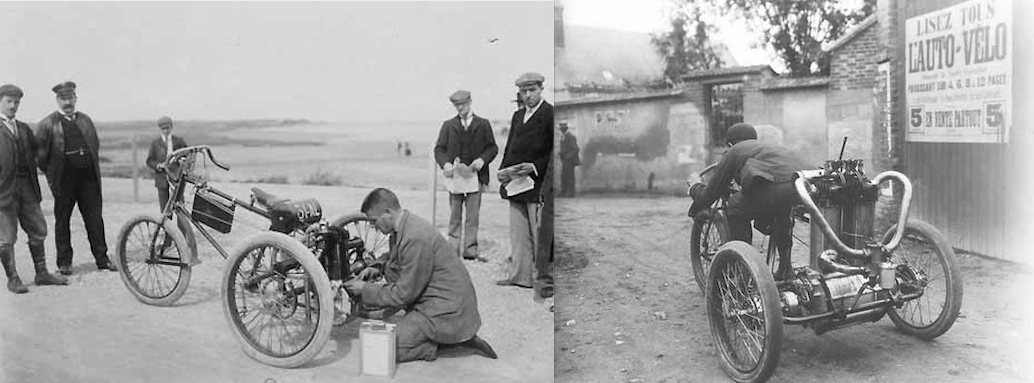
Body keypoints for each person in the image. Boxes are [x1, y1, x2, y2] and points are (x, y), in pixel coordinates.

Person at [343, 188, 497, 363]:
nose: (373, 227)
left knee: (384, 349)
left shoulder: (414, 237)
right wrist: (377, 267)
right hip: (439, 303)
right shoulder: (405, 226)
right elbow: (396, 257)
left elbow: (403, 294)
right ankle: (443, 336)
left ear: (388, 213)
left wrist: (365, 289)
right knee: (384, 338)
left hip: (446, 311)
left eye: (374, 221)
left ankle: (438, 344)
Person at [688, 122, 807, 279]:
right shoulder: (765, 148)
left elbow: (707, 197)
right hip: (802, 182)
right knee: (780, 211)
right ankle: (785, 268)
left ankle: (742, 271)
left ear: (730, 144)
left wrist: (694, 185)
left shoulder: (734, 151)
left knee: (735, 207)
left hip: (777, 185)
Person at [35, 81, 116, 275]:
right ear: (57, 100)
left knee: (95, 220)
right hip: (64, 181)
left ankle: (102, 259)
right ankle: (64, 263)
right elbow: (39, 157)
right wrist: (54, 175)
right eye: (63, 99)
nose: (67, 103)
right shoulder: (48, 124)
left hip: (88, 180)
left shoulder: (86, 120)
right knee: (62, 221)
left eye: (70, 98)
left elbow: (94, 146)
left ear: (75, 99)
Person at [0, 84, 68, 293]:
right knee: (6, 237)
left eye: (16, 102)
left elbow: (39, 153)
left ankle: (42, 273)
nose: (13, 106)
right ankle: (13, 278)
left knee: (38, 230)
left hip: (27, 186)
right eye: (9, 101)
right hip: (3, 191)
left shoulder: (23, 128)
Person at [496, 72, 553, 290]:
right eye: (523, 91)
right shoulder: (517, 116)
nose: (528, 95)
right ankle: (521, 276)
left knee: (539, 233)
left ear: (541, 90)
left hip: (538, 184)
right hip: (516, 184)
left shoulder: (550, 114)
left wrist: (535, 166)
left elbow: (554, 152)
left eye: (532, 90)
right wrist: (503, 171)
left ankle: (545, 280)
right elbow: (510, 147)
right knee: (518, 233)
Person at [433, 90, 498, 260]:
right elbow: (439, 149)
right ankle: (452, 250)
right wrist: (445, 163)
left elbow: (492, 148)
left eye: (463, 104)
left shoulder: (483, 124)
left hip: (476, 179)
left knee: (472, 216)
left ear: (470, 102)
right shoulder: (448, 125)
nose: (460, 108)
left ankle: (470, 250)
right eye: (457, 105)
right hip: (455, 180)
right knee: (454, 215)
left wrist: (482, 160)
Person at [145, 116, 187, 212]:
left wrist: (182, 161)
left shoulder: (179, 141)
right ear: (160, 129)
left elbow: (187, 155)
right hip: (161, 178)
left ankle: (182, 222)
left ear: (171, 127)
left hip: (176, 177)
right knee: (164, 209)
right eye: (163, 129)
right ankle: (167, 222)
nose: (166, 131)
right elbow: (149, 161)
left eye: (167, 128)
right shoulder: (155, 143)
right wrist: (158, 165)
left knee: (180, 206)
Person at [559, 122, 580, 198]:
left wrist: (568, 156)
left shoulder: (570, 136)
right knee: (564, 176)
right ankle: (564, 192)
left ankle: (570, 193)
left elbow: (576, 149)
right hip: (565, 160)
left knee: (569, 177)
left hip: (570, 161)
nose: (561, 129)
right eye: (561, 127)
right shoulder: (563, 136)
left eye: (563, 127)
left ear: (566, 128)